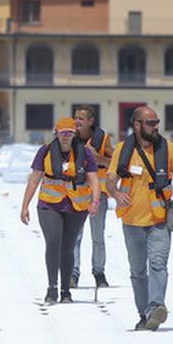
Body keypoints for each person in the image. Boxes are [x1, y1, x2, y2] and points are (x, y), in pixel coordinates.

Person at [105, 106, 173, 331]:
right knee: (137, 271)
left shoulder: (167, 148)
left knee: (157, 264)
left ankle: (156, 306)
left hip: (159, 220)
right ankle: (145, 314)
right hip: (132, 221)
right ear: (137, 125)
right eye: (151, 123)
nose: (156, 126)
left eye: (157, 122)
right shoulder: (123, 150)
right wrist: (116, 194)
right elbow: (109, 179)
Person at [21, 117, 101, 304]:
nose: (66, 137)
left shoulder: (84, 153)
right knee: (54, 241)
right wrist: (25, 206)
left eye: (70, 133)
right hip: (50, 204)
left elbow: (94, 179)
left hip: (76, 205)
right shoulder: (45, 152)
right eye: (62, 133)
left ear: (75, 134)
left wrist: (95, 201)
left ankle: (66, 289)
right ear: (56, 133)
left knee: (68, 246)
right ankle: (52, 287)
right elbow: (34, 179)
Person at [71, 105, 113, 288]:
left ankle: (99, 272)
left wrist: (98, 158)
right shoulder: (69, 138)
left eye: (81, 118)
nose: (77, 121)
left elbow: (115, 164)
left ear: (91, 121)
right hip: (76, 193)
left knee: (98, 236)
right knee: (75, 236)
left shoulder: (103, 139)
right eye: (76, 117)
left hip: (99, 194)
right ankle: (73, 273)